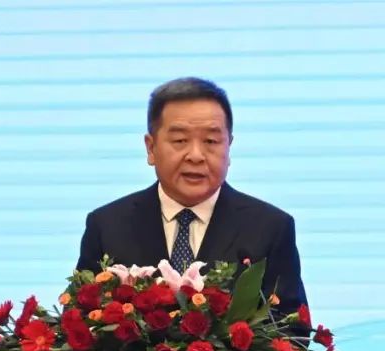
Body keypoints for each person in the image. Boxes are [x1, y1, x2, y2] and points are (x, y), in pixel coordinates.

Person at [75, 77, 308, 314]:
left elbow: (291, 328)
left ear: (228, 147)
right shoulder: (107, 226)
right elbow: (79, 321)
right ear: (151, 148)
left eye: (211, 141)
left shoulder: (270, 228)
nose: (196, 156)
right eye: (180, 140)